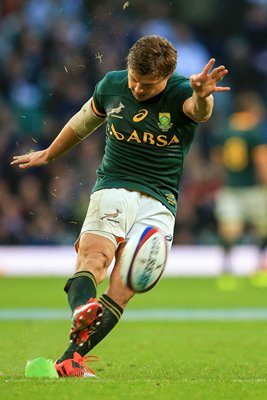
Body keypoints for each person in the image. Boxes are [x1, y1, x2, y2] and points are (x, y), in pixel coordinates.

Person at [11, 35, 230, 377]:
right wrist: (50, 153)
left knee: (123, 289)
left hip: (159, 203)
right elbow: (82, 122)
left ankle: (70, 359)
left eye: (147, 85)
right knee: (93, 258)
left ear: (167, 76)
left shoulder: (183, 91)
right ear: (127, 68)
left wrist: (203, 97)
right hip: (113, 187)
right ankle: (82, 307)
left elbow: (198, 111)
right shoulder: (111, 84)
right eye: (134, 80)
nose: (138, 90)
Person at [211, 91, 267, 290]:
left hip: (230, 187)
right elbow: (261, 160)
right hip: (252, 187)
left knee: (229, 230)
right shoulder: (254, 132)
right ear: (251, 110)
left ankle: (227, 272)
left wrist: (223, 180)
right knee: (261, 228)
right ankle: (260, 269)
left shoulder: (224, 130)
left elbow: (217, 160)